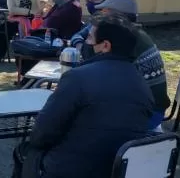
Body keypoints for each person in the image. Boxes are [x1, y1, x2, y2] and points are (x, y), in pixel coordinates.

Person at [15, 14, 154, 178]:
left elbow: (42, 134)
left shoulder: (77, 78)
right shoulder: (143, 85)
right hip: (119, 171)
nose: (85, 43)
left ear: (105, 45)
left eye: (89, 38)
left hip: (71, 169)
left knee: (24, 151)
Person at [83, 0, 171, 131]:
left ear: (117, 16)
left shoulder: (128, 40)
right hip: (146, 106)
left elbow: (93, 61)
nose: (101, 17)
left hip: (148, 113)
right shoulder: (133, 33)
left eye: (104, 12)